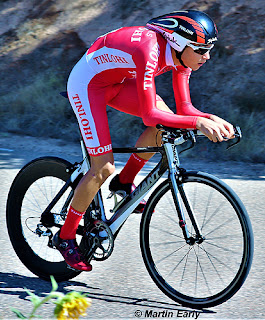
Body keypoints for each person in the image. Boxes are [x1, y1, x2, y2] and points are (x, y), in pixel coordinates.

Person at [53, 9, 235, 271]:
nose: (206, 56)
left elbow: (185, 109)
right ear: (179, 44)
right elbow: (150, 115)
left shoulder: (183, 58)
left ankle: (124, 182)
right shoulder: (148, 49)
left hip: (117, 82)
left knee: (167, 124)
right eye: (200, 49)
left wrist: (213, 119)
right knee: (102, 168)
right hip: (88, 85)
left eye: (209, 49)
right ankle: (66, 235)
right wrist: (199, 123)